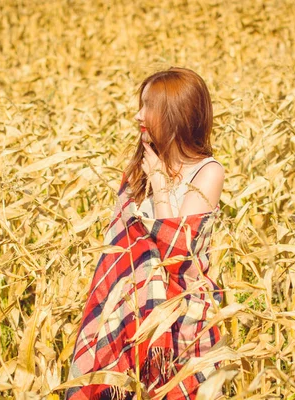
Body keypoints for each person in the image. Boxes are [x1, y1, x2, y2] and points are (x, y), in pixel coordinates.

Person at [66, 67, 225, 400]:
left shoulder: (207, 172)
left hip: (180, 317)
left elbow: (177, 252)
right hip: (127, 311)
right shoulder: (140, 166)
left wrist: (159, 184)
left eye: (148, 106)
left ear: (176, 114)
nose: (138, 115)